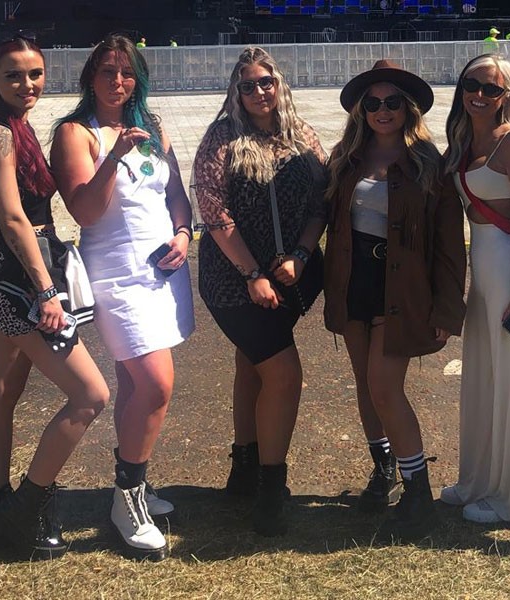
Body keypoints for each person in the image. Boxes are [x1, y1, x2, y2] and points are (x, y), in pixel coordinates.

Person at [51, 33, 195, 561]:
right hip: (116, 274)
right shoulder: (75, 133)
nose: (118, 81)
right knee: (156, 384)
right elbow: (86, 211)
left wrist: (184, 234)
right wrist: (113, 156)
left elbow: (176, 195)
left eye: (127, 72)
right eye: (108, 71)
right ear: (90, 77)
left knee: (137, 387)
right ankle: (127, 498)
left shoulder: (151, 127)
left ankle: (133, 480)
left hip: (163, 271)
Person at [0, 33, 110, 560]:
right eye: (12, 75)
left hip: (15, 279)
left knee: (3, 390)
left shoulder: (17, 127)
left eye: (34, 74)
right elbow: (12, 218)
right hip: (24, 284)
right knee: (91, 394)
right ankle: (24, 509)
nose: (26, 83)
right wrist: (47, 290)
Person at [324, 59, 467, 539]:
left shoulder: (429, 163)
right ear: (361, 111)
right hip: (354, 280)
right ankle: (383, 469)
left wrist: (447, 307)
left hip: (402, 287)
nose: (382, 111)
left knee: (386, 388)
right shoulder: (346, 157)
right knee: (366, 386)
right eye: (372, 103)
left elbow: (449, 244)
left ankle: (418, 494)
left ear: (407, 109)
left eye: (391, 102)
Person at [193, 46, 328, 537]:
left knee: (252, 363)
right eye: (247, 85)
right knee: (284, 374)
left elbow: (321, 203)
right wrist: (253, 274)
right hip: (234, 281)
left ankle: (245, 467)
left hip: (291, 275)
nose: (258, 92)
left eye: (265, 81)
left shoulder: (301, 134)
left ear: (279, 84)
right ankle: (272, 487)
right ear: (236, 91)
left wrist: (303, 255)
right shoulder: (222, 138)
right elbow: (215, 213)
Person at [439, 54, 510, 525]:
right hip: (481, 270)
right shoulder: (462, 139)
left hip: (508, 267)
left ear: (506, 95)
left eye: (492, 88)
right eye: (472, 84)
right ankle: (480, 480)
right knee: (484, 376)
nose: (480, 95)